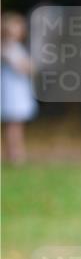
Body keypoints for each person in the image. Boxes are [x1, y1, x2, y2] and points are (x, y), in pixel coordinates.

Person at [1, 12, 38, 164]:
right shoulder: (7, 48)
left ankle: (14, 152)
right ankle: (15, 154)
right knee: (13, 125)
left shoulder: (14, 47)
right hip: (11, 92)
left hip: (17, 90)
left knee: (16, 125)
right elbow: (22, 67)